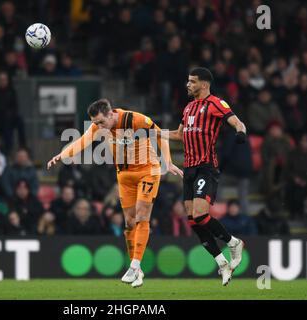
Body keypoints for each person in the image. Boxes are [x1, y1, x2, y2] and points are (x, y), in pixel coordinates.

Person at [47, 98, 182, 288]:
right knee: (129, 222)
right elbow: (82, 142)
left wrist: (167, 162)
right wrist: (62, 155)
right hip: (124, 176)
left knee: (143, 215)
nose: (99, 126)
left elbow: (161, 136)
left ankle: (134, 266)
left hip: (147, 171)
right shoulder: (98, 126)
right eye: (96, 123)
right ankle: (138, 270)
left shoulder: (137, 120)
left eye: (101, 121)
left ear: (111, 114)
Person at [167, 67, 246, 286]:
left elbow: (237, 122)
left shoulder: (216, 103)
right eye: (188, 81)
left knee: (201, 215)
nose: (188, 85)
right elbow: (178, 135)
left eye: (192, 81)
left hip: (206, 167)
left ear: (204, 84)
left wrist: (240, 133)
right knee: (193, 220)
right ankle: (221, 262)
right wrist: (151, 132)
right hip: (189, 169)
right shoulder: (189, 107)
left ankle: (233, 242)